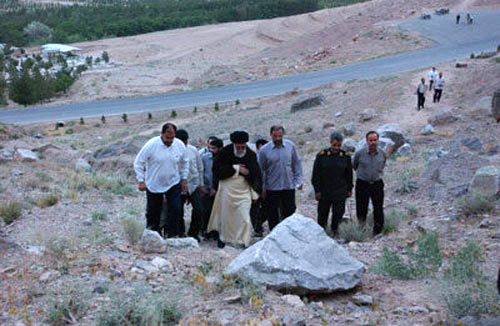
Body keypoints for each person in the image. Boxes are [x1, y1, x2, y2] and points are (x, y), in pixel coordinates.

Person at [208, 131, 262, 248]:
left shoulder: (250, 155)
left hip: (243, 190)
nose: (241, 148)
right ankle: (224, 239)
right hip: (227, 190)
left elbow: (256, 174)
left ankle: (243, 240)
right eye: (239, 146)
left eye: (243, 146)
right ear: (233, 143)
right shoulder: (224, 153)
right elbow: (217, 171)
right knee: (226, 217)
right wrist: (236, 168)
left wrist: (255, 191)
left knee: (244, 216)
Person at [133, 122, 188, 238]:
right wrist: (141, 180)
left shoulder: (179, 145)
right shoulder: (151, 144)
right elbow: (138, 162)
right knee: (153, 211)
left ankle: (172, 235)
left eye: (172, 138)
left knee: (175, 209)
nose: (169, 141)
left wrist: (184, 179)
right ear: (162, 134)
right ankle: (153, 236)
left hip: (173, 182)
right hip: (154, 183)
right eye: (167, 138)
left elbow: (184, 162)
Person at [258, 125, 303, 231]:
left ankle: (289, 235)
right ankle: (274, 237)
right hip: (272, 188)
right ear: (270, 135)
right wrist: (263, 187)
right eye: (275, 136)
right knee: (272, 215)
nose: (277, 139)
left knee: (290, 212)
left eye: (280, 136)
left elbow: (296, 164)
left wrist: (299, 180)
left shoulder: (290, 146)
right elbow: (261, 170)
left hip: (288, 186)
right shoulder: (264, 150)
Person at [311, 132, 353, 236]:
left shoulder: (345, 156)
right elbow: (315, 175)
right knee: (322, 214)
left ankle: (335, 232)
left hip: (340, 191)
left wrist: (349, 189)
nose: (336, 147)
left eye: (339, 145)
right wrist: (317, 190)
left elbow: (349, 175)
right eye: (334, 145)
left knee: (338, 214)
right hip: (325, 191)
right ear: (330, 142)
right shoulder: (322, 155)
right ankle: (321, 233)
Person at [353, 131, 387, 235]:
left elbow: (382, 165)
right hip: (362, 184)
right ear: (367, 141)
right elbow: (354, 166)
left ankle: (377, 231)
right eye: (370, 140)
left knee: (378, 208)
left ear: (378, 140)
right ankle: (362, 230)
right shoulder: (360, 153)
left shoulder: (382, 153)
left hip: (377, 184)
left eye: (375, 140)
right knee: (361, 208)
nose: (373, 142)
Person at [175, 129, 204, 241]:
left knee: (199, 209)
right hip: (177, 186)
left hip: (194, 185)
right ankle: (180, 233)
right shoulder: (172, 151)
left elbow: (200, 168)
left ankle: (194, 233)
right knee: (178, 210)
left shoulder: (193, 150)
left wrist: (201, 185)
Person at [200, 137, 223, 237]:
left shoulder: (225, 159)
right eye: (210, 148)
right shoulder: (205, 158)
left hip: (220, 190)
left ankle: (217, 232)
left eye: (214, 148)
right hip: (206, 189)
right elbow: (201, 172)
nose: (211, 150)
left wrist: (216, 188)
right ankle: (205, 230)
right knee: (206, 211)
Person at [250, 138, 269, 237]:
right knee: (254, 210)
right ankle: (257, 229)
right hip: (255, 188)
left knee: (267, 209)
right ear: (257, 149)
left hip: (268, 188)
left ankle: (259, 224)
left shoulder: (269, 159)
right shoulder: (253, 160)